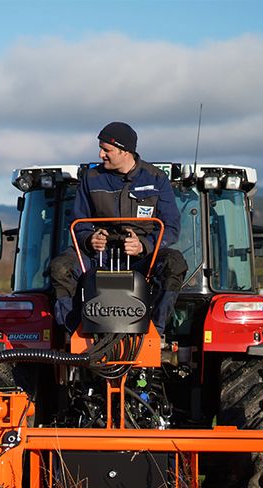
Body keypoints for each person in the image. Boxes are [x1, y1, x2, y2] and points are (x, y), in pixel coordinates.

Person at [50, 121, 186, 336]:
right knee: (60, 267)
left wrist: (144, 245)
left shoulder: (157, 178)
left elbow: (171, 226)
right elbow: (79, 221)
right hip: (97, 258)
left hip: (142, 260)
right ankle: (75, 333)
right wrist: (89, 239)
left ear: (125, 151)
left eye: (106, 150)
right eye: (101, 148)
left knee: (174, 264)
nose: (100, 154)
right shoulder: (91, 179)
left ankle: (154, 331)